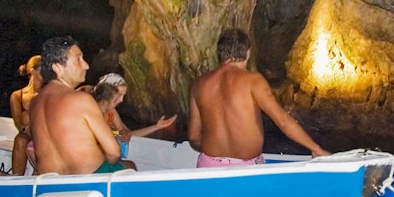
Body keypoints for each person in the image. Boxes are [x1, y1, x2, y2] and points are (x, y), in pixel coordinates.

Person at [187, 28, 329, 167]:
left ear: (220, 53)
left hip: (209, 165)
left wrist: (216, 150)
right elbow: (283, 121)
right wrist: (316, 148)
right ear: (247, 53)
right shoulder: (253, 81)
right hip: (246, 169)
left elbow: (193, 136)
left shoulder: (199, 84)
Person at [27, 36, 124, 174]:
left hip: (50, 183)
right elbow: (114, 152)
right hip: (89, 180)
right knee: (129, 165)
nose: (86, 65)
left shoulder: (35, 103)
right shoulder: (81, 99)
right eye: (78, 59)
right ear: (58, 68)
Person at [89, 73, 176, 169]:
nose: (122, 100)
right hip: (96, 161)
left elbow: (128, 134)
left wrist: (157, 126)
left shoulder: (111, 113)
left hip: (112, 158)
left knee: (131, 165)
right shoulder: (92, 112)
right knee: (131, 166)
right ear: (108, 94)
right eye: (120, 95)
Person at [9, 54, 43, 175]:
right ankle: (16, 178)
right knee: (20, 139)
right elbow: (18, 122)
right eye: (42, 71)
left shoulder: (48, 92)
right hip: (27, 131)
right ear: (32, 71)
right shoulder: (17, 95)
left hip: (43, 131)